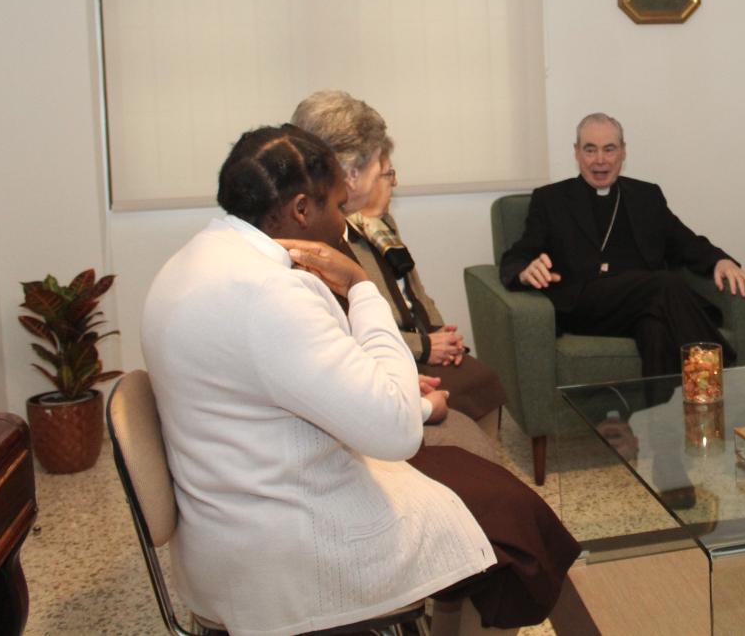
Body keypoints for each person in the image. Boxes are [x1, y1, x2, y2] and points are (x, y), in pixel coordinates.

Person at [141, 124, 578, 636]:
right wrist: (361, 285)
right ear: (301, 209)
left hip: (237, 511)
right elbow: (396, 433)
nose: (344, 223)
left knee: (489, 494)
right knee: (517, 531)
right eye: (337, 207)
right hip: (285, 544)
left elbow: (304, 380)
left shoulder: (194, 260)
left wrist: (401, 398)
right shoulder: (271, 295)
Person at [292, 90, 507, 442]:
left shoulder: (348, 226)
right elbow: (345, 338)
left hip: (387, 362)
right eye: (382, 166)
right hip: (374, 377)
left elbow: (415, 295)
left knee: (479, 385)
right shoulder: (318, 242)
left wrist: (439, 336)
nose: (387, 176)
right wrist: (418, 358)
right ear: (351, 173)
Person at [499, 112, 745, 381]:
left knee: (656, 330)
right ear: (577, 152)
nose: (600, 160)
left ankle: (667, 409)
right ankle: (731, 377)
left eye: (609, 149)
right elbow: (518, 254)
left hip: (643, 306)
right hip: (583, 308)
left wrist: (721, 262)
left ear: (623, 152)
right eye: (590, 149)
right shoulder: (551, 200)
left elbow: (684, 241)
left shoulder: (646, 196)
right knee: (664, 284)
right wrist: (524, 271)